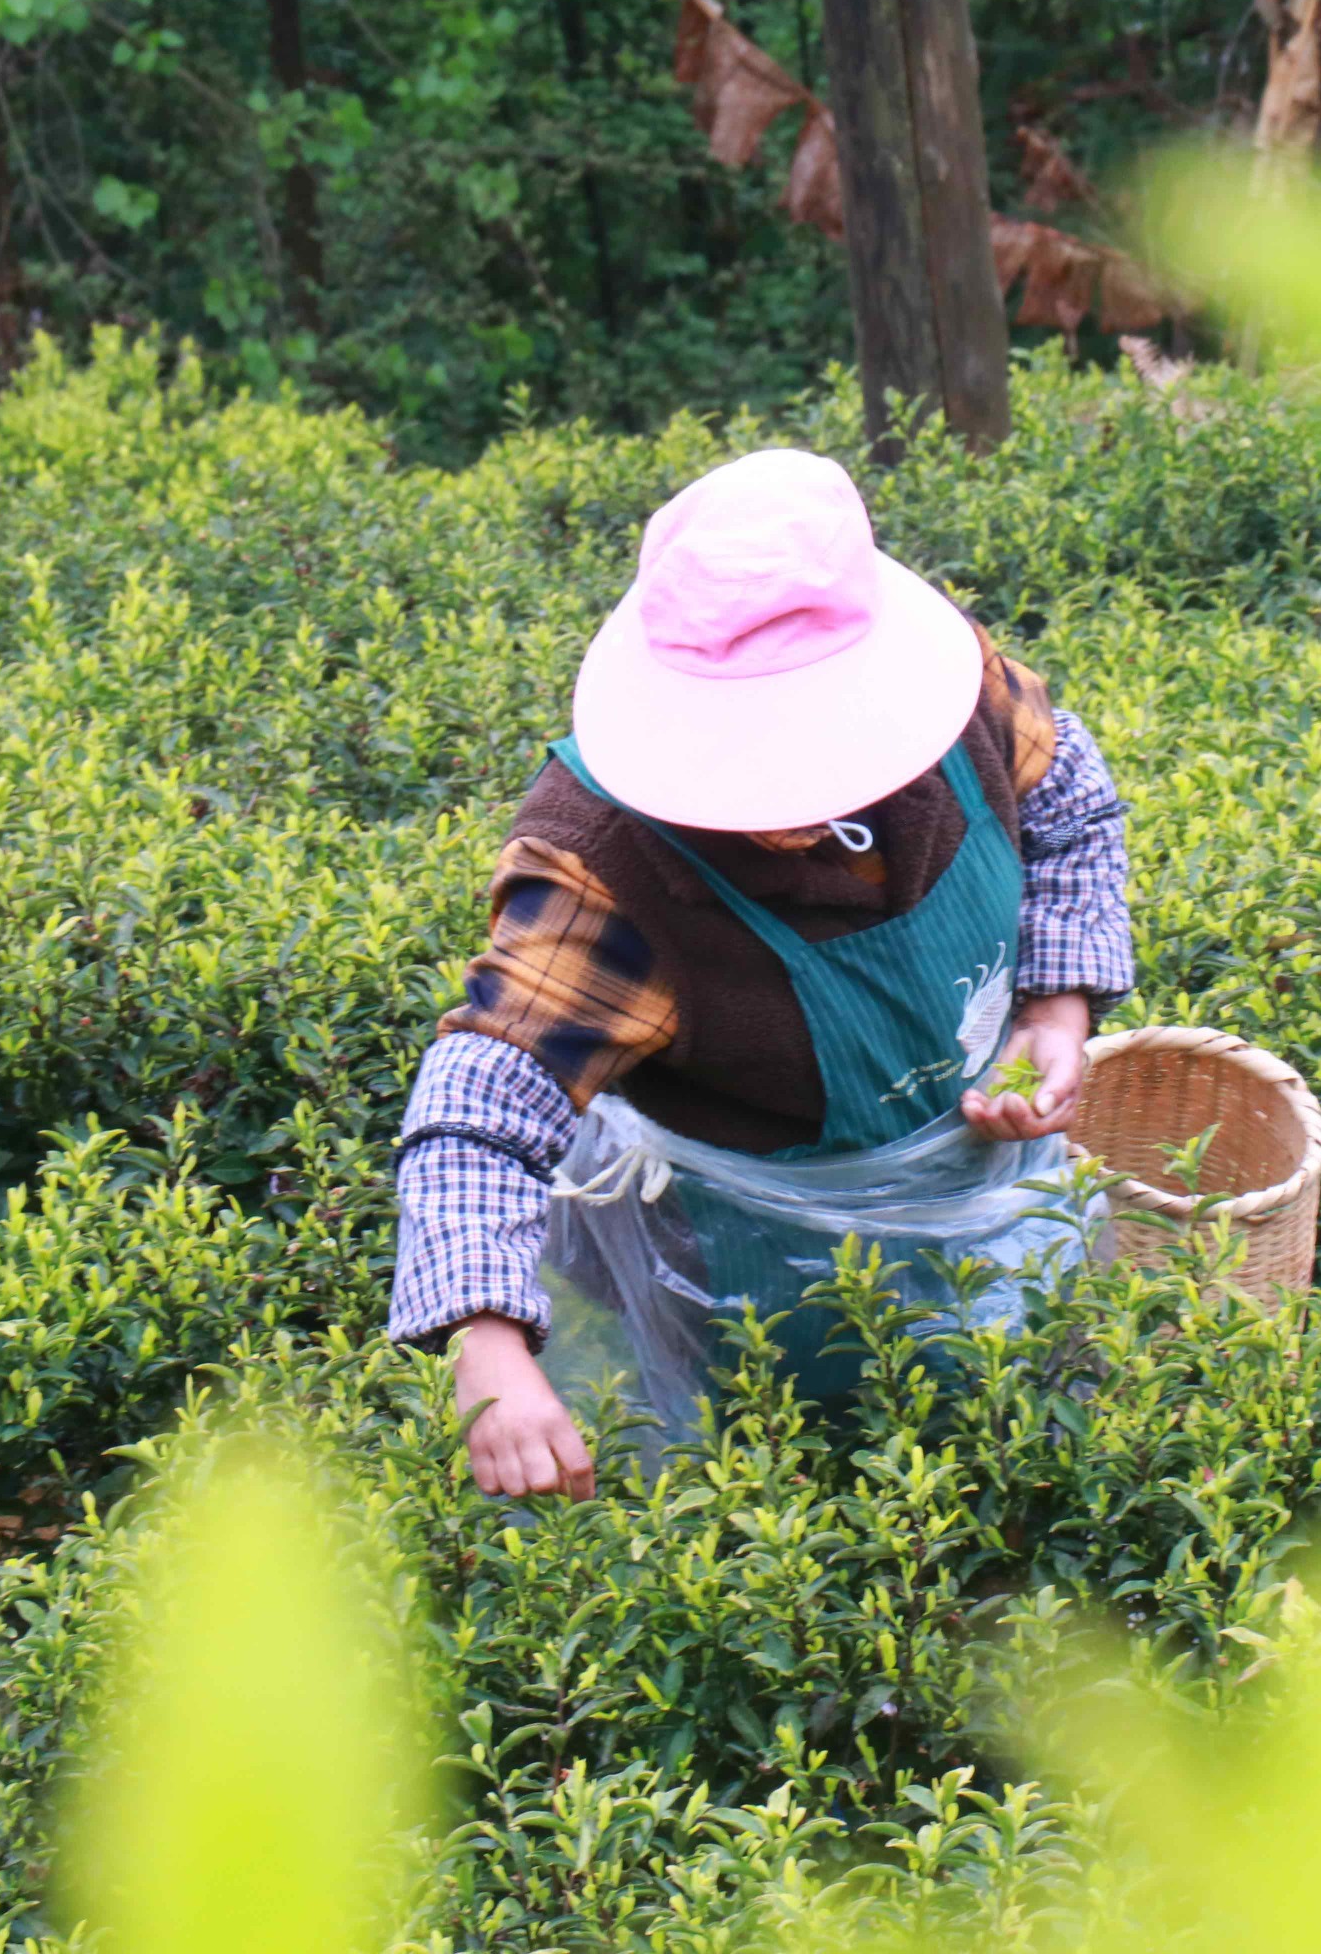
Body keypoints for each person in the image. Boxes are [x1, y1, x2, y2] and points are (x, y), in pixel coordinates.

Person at [388, 448, 1134, 1498]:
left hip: (977, 1186)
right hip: (737, 1258)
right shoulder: (607, 868)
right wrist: (487, 1340)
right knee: (793, 1484)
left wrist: (1054, 1014)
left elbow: (1070, 805)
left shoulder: (958, 696)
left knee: (1008, 1441)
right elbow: (481, 1103)